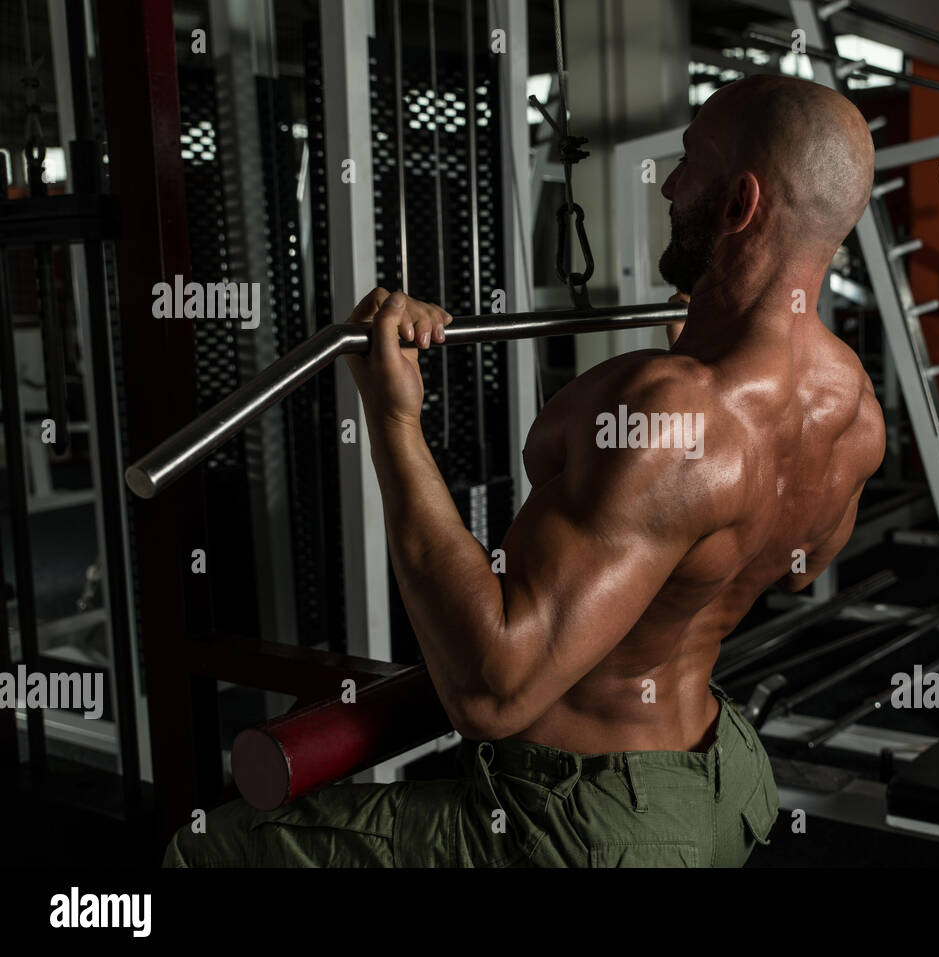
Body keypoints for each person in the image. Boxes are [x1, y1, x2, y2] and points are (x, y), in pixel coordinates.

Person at [163, 74, 883, 868]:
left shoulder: (669, 411)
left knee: (208, 850)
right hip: (721, 789)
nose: (673, 187)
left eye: (689, 165)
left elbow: (491, 691)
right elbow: (792, 564)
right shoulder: (852, 408)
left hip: (587, 826)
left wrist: (393, 417)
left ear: (740, 205)